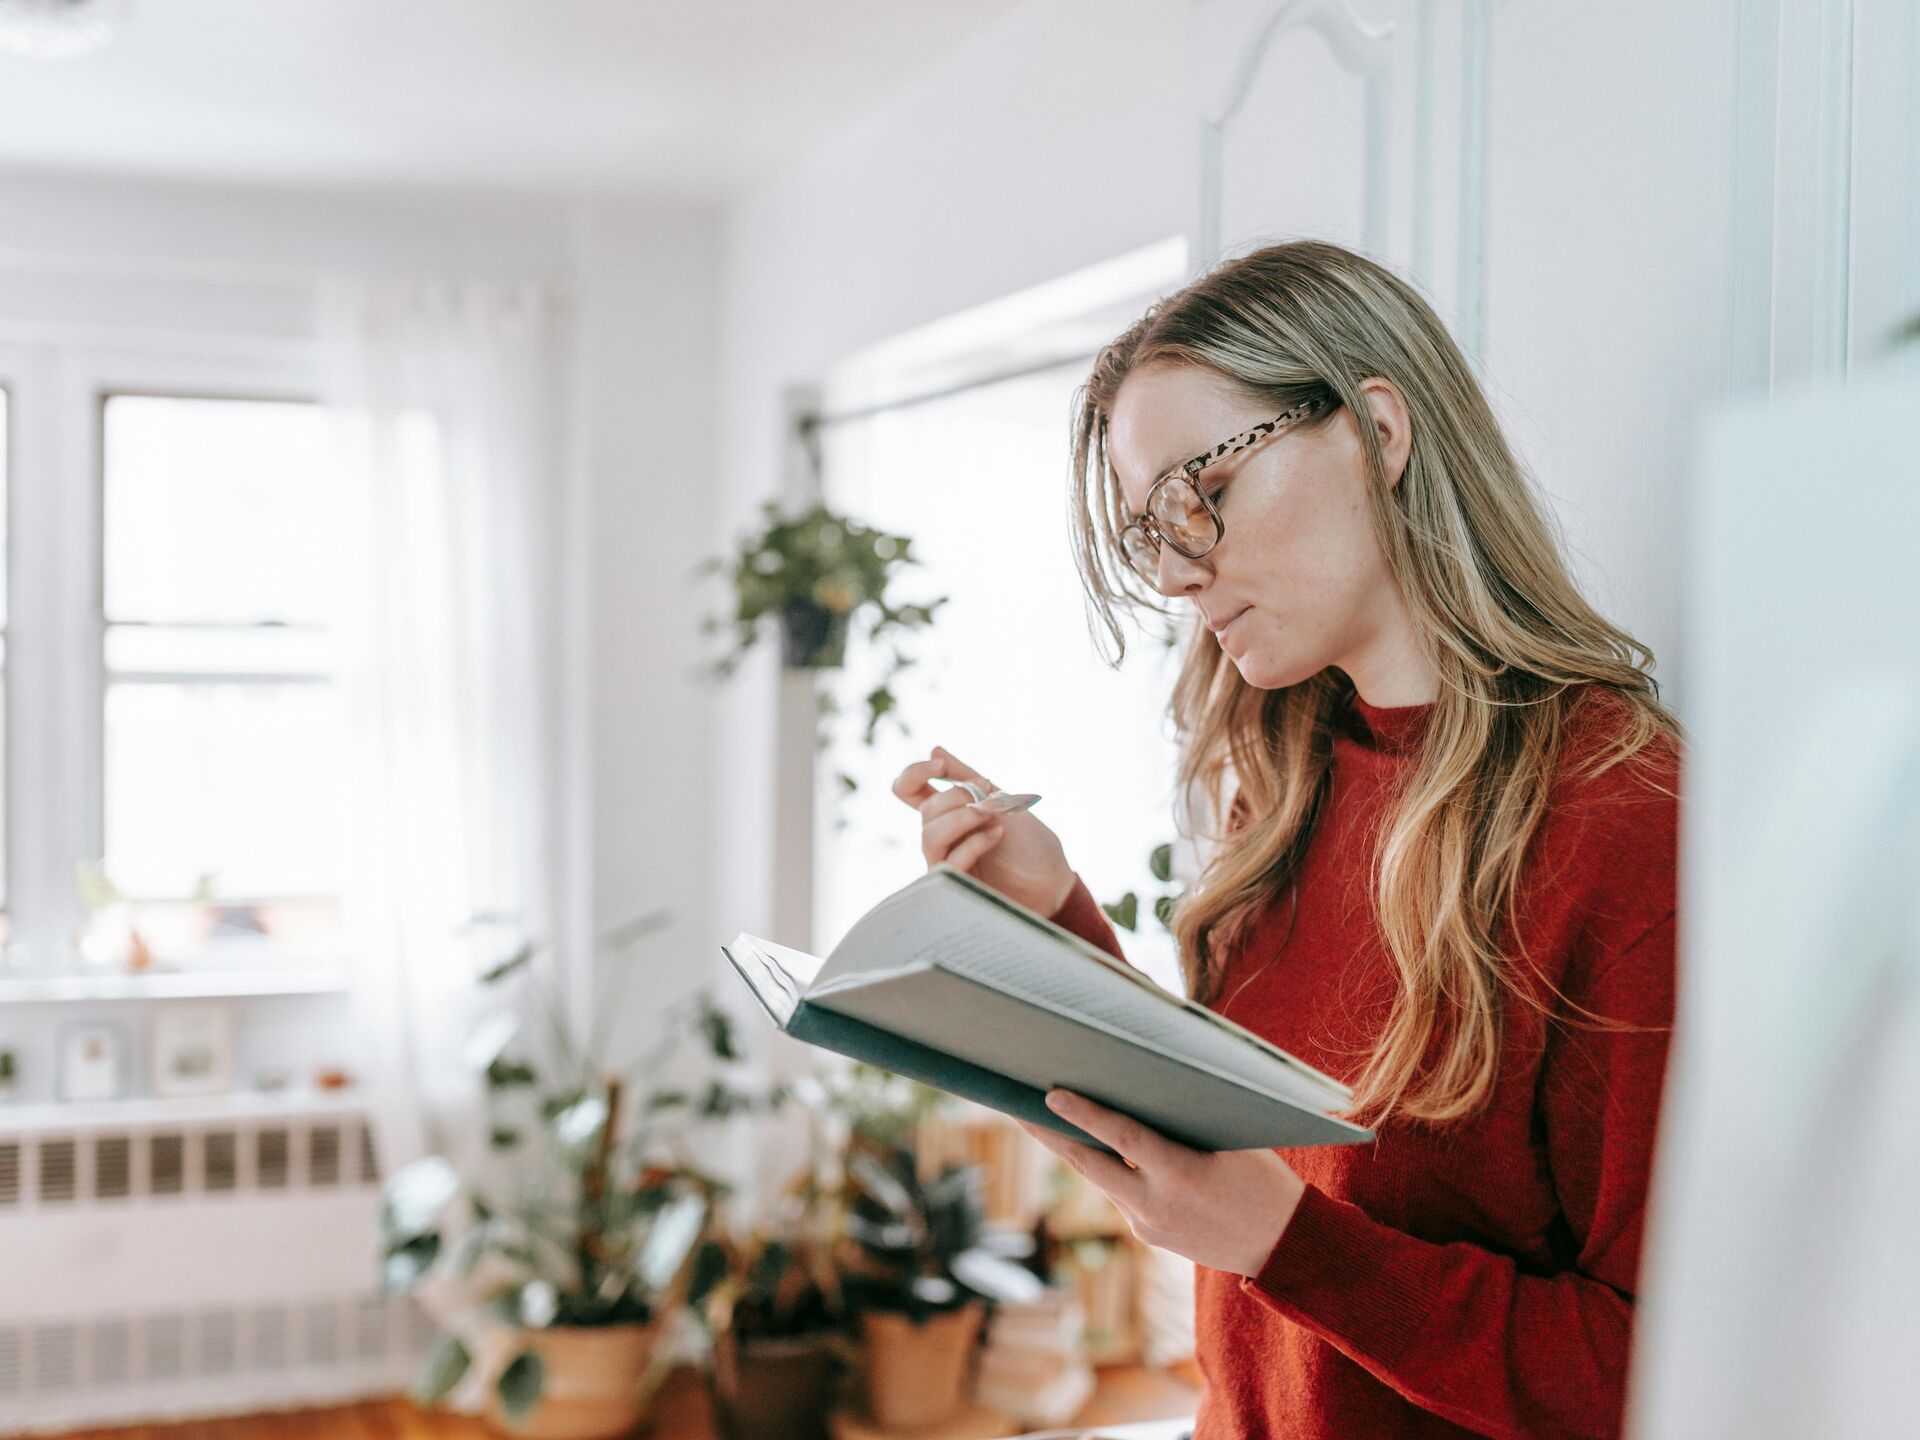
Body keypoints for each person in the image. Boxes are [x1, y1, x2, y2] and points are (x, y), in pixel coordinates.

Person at [890, 240, 1680, 1440]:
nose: (1171, 571)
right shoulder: (1293, 775)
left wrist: (1287, 1244)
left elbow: (1647, 1377)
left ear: (1377, 429)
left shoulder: (1623, 825)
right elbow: (1235, 1147)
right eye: (1148, 528)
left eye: (1198, 494)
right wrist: (1050, 922)